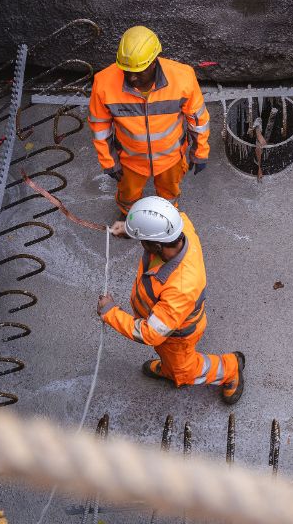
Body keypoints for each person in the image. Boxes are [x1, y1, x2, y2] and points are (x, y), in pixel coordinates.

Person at [97, 196, 244, 404]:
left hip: (176, 336)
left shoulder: (181, 287)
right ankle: (169, 366)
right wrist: (131, 231)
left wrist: (110, 313)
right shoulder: (180, 227)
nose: (141, 245)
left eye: (142, 242)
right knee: (171, 360)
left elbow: (151, 333)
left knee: (185, 371)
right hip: (165, 322)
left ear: (156, 246)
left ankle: (230, 368)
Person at [88, 26, 210, 215]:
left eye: (139, 71)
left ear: (154, 62)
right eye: (126, 70)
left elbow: (198, 120)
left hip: (171, 160)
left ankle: (167, 216)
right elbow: (100, 126)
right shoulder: (103, 83)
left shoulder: (183, 78)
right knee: (128, 196)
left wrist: (200, 152)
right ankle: (128, 217)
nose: (131, 77)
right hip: (130, 161)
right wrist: (109, 162)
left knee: (169, 194)